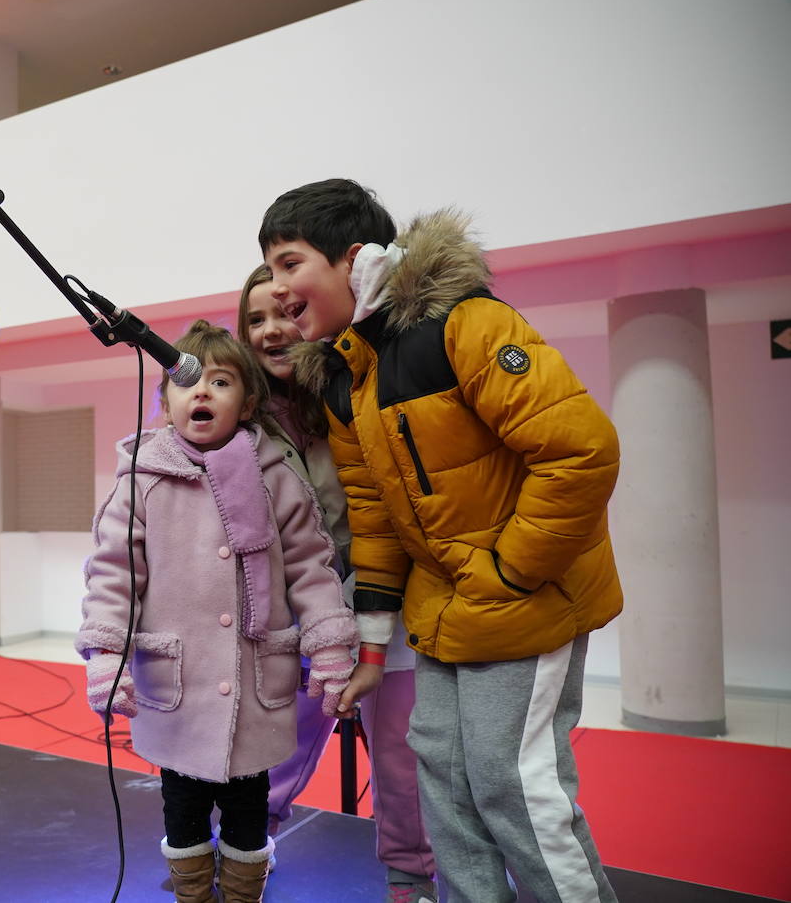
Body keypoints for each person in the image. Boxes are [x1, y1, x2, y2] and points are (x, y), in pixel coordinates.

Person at [261, 178, 622, 903]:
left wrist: (511, 573)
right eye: (269, 271)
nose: (276, 289)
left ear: (352, 257)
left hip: (526, 601)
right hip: (443, 613)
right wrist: (371, 639)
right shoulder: (344, 376)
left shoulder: (465, 325)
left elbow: (582, 451)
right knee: (448, 791)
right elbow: (375, 518)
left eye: (289, 264)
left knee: (510, 782)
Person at [77, 320, 388, 903]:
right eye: (185, 381)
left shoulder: (275, 478)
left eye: (220, 382)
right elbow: (114, 574)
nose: (201, 392)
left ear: (246, 404)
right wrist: (105, 655)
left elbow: (311, 567)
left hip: (255, 688)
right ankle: (192, 893)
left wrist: (327, 647)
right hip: (178, 688)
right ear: (164, 403)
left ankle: (245, 893)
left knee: (251, 807)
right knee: (182, 806)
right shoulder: (141, 479)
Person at [239, 265, 438, 903]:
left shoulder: (364, 390)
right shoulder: (233, 426)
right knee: (275, 754)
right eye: (255, 319)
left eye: (287, 312)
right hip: (295, 616)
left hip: (393, 602)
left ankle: (413, 878)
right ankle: (244, 860)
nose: (274, 330)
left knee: (405, 763)